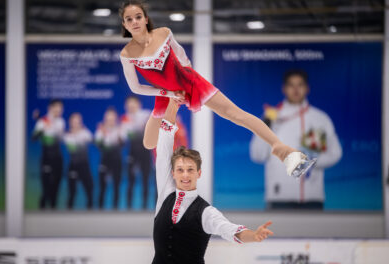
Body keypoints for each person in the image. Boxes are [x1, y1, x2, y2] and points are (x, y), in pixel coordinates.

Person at [118, 1, 313, 179]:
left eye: (138, 17)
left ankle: (284, 151)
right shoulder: (126, 54)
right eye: (129, 19)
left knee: (235, 114)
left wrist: (188, 79)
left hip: (189, 82)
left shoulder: (164, 33)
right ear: (125, 25)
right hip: (166, 93)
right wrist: (169, 94)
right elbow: (135, 87)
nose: (134, 21)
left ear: (145, 19)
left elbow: (182, 56)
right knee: (149, 143)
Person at [144, 98, 273, 264]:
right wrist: (173, 105)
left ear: (199, 173)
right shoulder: (165, 194)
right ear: (173, 173)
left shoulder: (206, 212)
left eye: (190, 170)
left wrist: (254, 236)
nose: (185, 175)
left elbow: (230, 230)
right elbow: (164, 147)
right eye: (180, 170)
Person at [250, 69, 342, 210]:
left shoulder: (320, 119)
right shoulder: (271, 116)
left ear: (307, 88)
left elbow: (335, 153)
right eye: (291, 85)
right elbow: (257, 155)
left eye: (300, 85)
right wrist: (265, 125)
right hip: (279, 198)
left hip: (313, 198)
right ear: (284, 89)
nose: (296, 89)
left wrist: (311, 161)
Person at [32, 100, 65, 209]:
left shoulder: (61, 121)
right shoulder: (42, 121)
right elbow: (33, 138)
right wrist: (41, 130)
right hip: (46, 158)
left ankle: (53, 218)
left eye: (61, 108)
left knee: (55, 190)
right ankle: (41, 213)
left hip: (58, 159)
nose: (59, 110)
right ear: (50, 108)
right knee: (46, 190)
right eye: (57, 107)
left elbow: (60, 136)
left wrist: (51, 126)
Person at [121, 96, 152, 209]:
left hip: (145, 152)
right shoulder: (125, 118)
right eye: (128, 105)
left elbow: (156, 120)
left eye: (133, 104)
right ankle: (129, 206)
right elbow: (123, 136)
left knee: (146, 179)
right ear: (126, 106)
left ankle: (145, 206)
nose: (131, 106)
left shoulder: (146, 114)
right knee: (130, 180)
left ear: (138, 104)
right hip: (132, 152)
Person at [95, 108, 125, 210]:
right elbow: (98, 144)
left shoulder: (120, 129)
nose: (110, 120)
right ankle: (100, 209)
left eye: (112, 118)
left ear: (115, 119)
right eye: (108, 118)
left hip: (117, 161)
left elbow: (123, 143)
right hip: (105, 161)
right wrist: (103, 134)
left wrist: (119, 135)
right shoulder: (101, 130)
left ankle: (115, 208)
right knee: (102, 186)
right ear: (105, 119)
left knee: (116, 186)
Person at [63, 113, 94, 209]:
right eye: (74, 121)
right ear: (70, 122)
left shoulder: (85, 132)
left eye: (78, 121)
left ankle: (91, 215)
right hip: (73, 165)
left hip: (85, 166)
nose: (76, 123)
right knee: (72, 192)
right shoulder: (67, 135)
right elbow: (72, 148)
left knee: (90, 190)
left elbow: (91, 139)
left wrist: (81, 131)